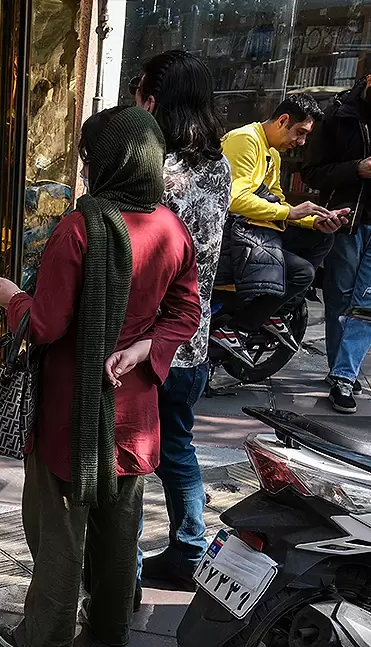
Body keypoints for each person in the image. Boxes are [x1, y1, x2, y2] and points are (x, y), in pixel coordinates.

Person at [0, 106, 202, 647]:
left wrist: (12, 299)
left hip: (71, 408)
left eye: (89, 157)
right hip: (134, 407)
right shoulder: (171, 226)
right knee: (120, 521)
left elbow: (47, 325)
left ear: (107, 162)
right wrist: (146, 348)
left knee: (58, 526)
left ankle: (47, 638)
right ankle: (111, 626)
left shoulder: (79, 229)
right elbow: (186, 311)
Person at [130, 51, 231, 591]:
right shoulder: (219, 163)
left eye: (141, 93)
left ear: (154, 101)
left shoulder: (156, 173)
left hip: (148, 343)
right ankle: (191, 547)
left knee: (128, 455)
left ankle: (120, 565)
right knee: (177, 448)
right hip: (194, 337)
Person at [303, 52, 371, 414]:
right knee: (340, 299)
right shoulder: (338, 113)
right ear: (369, 80)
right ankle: (340, 371)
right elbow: (313, 172)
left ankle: (344, 376)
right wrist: (355, 169)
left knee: (368, 302)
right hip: (348, 221)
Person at [214, 95, 347, 363]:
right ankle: (237, 327)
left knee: (322, 237)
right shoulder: (245, 140)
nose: (301, 143)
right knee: (302, 273)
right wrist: (289, 212)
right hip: (232, 234)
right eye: (300, 133)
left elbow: (276, 200)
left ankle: (272, 308)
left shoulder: (271, 152)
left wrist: (314, 220)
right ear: (283, 120)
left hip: (256, 231)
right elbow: (234, 200)